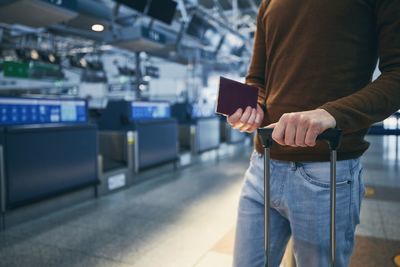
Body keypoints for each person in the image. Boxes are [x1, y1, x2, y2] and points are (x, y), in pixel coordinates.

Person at [227, 0, 400, 266]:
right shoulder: (268, 2)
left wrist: (332, 113)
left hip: (327, 170)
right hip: (262, 165)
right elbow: (257, 78)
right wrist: (252, 106)